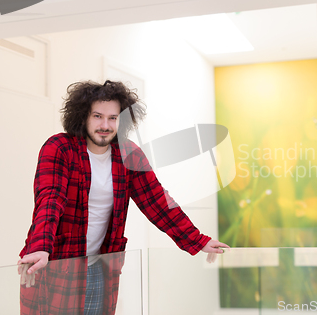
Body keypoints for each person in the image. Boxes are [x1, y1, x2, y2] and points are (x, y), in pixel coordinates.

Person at [17, 80, 229, 315]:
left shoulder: (129, 154)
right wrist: (40, 247)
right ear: (83, 116)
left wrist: (198, 240)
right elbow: (50, 199)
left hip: (100, 266)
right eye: (97, 116)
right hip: (55, 263)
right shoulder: (59, 147)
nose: (105, 125)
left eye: (113, 118)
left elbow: (158, 202)